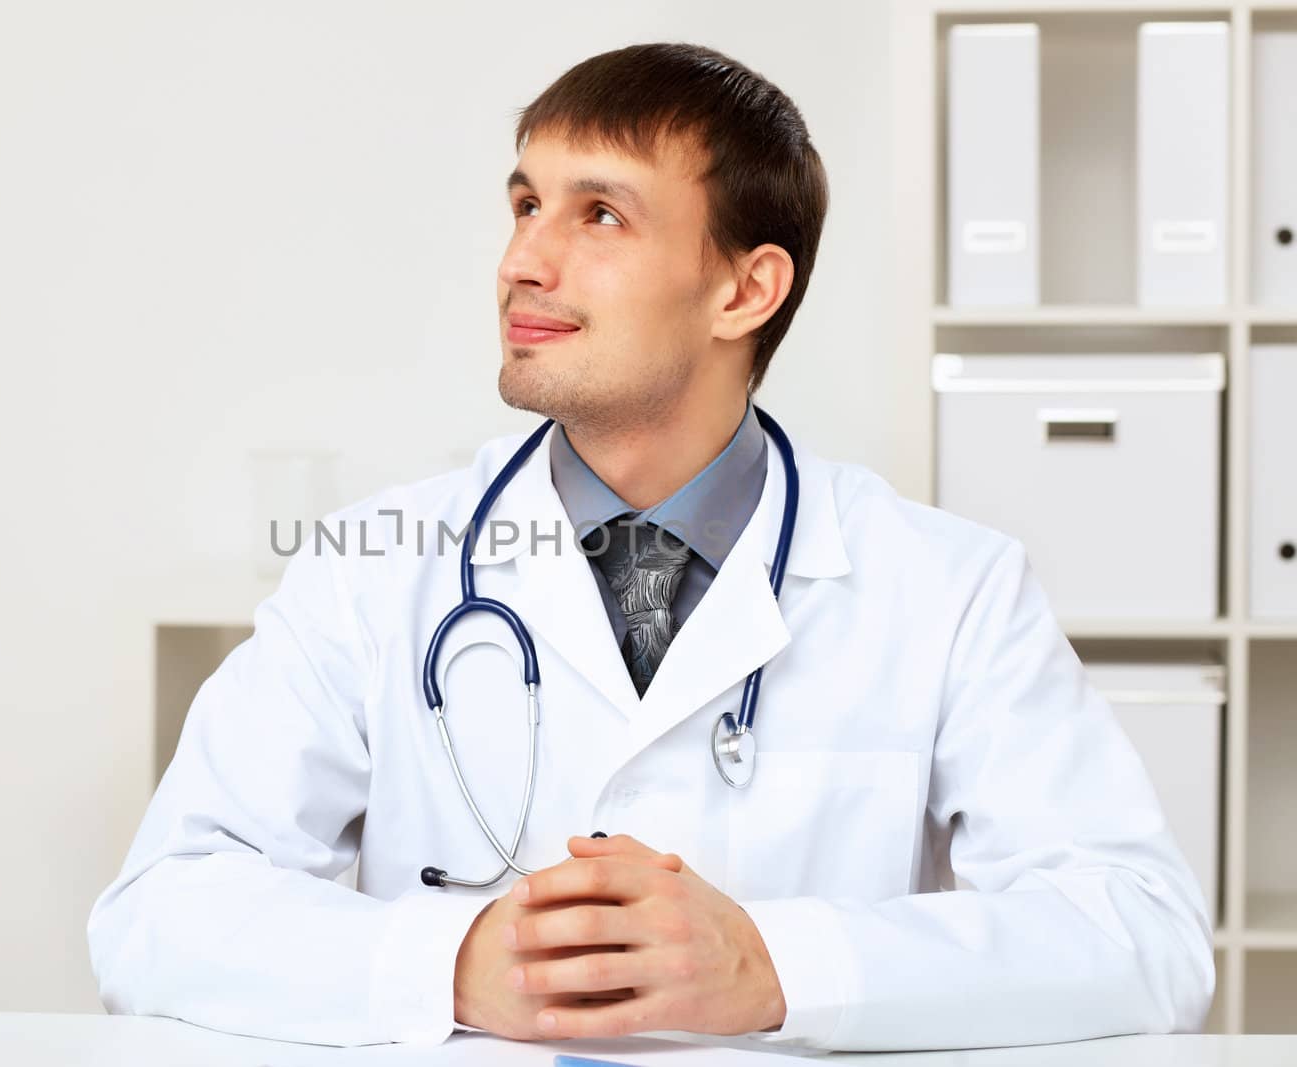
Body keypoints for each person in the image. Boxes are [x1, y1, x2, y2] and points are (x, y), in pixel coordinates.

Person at [87, 42, 1215, 1050]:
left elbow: (1144, 933)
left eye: (599, 214)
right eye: (525, 202)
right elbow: (159, 909)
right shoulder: (375, 564)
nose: (523, 259)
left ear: (742, 287)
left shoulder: (948, 586)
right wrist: (453, 963)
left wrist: (772, 967)